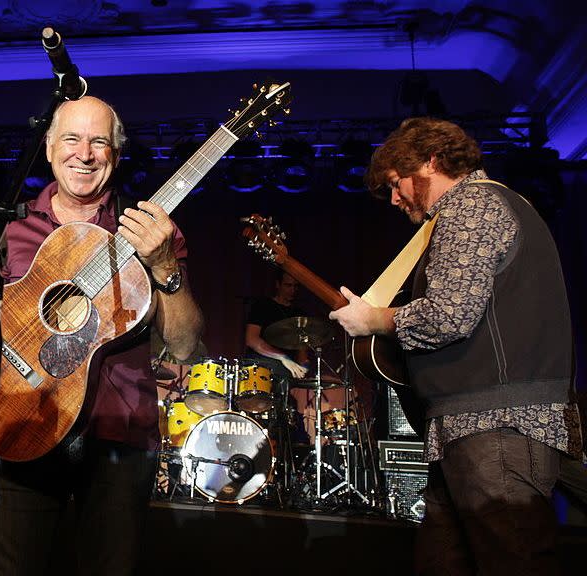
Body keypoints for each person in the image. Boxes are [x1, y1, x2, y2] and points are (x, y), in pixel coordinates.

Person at [0, 96, 204, 575]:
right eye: (71, 139)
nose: (85, 153)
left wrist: (163, 267)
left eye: (99, 142)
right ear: (49, 147)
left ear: (116, 153)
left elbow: (183, 344)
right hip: (22, 421)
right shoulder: (11, 227)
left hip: (119, 433)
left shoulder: (150, 232)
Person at [329, 117, 582, 575]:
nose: (394, 198)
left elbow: (447, 317)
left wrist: (374, 319)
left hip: (497, 423)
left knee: (513, 562)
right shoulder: (480, 208)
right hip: (471, 425)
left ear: (430, 161)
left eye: (395, 182)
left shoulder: (472, 207)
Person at [244, 270, 308, 379]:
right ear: (278, 285)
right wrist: (282, 357)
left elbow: (302, 349)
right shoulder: (262, 305)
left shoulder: (299, 314)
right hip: (262, 365)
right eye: (288, 285)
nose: (293, 290)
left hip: (289, 368)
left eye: (296, 286)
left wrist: (304, 366)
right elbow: (251, 339)